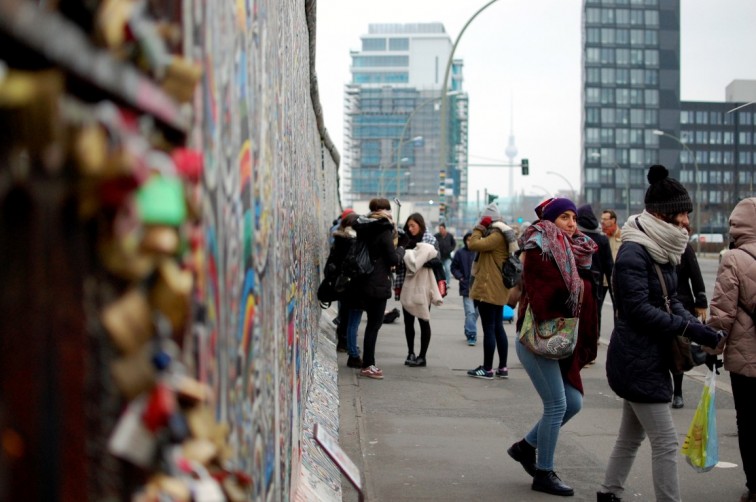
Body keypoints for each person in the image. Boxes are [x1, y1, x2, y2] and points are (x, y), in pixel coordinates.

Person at [597, 165, 725, 502]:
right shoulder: (634, 252)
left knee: (630, 437)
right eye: (682, 213)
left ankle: (609, 493)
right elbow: (638, 309)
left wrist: (703, 330)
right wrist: (687, 327)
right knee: (666, 443)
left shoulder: (659, 248)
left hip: (645, 356)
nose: (686, 221)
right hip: (638, 358)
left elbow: (671, 301)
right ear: (662, 213)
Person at [507, 197, 598, 497]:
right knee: (557, 406)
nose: (572, 223)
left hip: (563, 340)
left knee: (573, 402)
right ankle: (544, 473)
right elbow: (546, 296)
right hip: (539, 338)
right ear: (550, 221)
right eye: (564, 218)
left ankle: (525, 447)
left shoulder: (578, 250)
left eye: (574, 217)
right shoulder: (539, 248)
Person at [706, 197, 756, 502]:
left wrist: (712, 351)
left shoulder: (733, 259)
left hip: (746, 359)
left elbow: (722, 315)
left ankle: (755, 486)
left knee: (749, 423)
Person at [466, 203, 519, 380]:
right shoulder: (503, 234)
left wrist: (478, 228)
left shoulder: (496, 235)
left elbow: (472, 244)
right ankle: (502, 367)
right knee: (497, 328)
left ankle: (487, 369)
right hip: (498, 288)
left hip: (490, 289)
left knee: (489, 329)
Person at [352, 198, 403, 379]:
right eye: (388, 209)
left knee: (369, 325)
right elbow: (393, 259)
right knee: (374, 325)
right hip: (378, 282)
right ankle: (368, 365)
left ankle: (367, 362)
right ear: (385, 210)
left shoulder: (364, 226)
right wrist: (401, 250)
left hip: (364, 280)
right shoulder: (384, 228)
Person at [394, 213, 439, 367]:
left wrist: (416, 261)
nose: (410, 228)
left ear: (420, 224)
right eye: (409, 226)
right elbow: (398, 261)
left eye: (413, 225)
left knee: (423, 320)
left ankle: (422, 356)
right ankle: (410, 352)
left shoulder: (430, 240)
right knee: (408, 322)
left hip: (423, 286)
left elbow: (436, 261)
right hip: (406, 284)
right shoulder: (405, 240)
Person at [671, 239, 708, 409]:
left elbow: (696, 275)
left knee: (679, 348)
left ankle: (677, 392)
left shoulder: (684, 247)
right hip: (657, 304)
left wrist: (701, 301)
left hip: (682, 304)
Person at [327, 212, 364, 367]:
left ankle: (345, 344)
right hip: (354, 286)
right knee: (353, 320)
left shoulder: (339, 240)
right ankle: (353, 353)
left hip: (341, 285)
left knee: (345, 317)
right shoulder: (355, 242)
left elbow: (332, 262)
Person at [576, 204, 614, 335]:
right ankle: (595, 336)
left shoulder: (574, 236)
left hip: (576, 281)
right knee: (596, 310)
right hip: (596, 282)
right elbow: (609, 267)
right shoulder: (602, 238)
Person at [451, 231, 479, 345]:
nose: (469, 242)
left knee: (475, 314)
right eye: (467, 239)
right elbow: (453, 267)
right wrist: (460, 277)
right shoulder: (460, 253)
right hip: (466, 287)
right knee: (471, 312)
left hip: (479, 288)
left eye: (471, 239)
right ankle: (472, 334)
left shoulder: (479, 252)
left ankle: (468, 327)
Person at [601, 209, 622, 313]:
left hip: (617, 279)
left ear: (613, 220)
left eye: (605, 219)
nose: (602, 221)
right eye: (602, 219)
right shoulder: (600, 236)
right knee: (596, 310)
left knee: (618, 310)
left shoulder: (623, 236)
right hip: (602, 279)